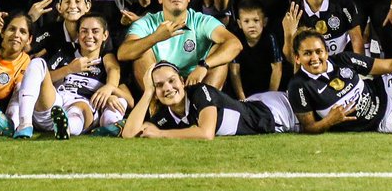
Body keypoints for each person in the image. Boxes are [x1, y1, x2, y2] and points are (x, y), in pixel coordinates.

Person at [118, 0, 241, 89]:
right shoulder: (147, 22)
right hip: (163, 86)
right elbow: (123, 53)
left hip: (195, 81)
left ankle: (205, 104)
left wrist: (204, 65)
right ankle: (157, 107)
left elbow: (235, 44)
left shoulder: (201, 20)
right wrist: (155, 37)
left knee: (221, 53)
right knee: (141, 52)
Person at [122, 60, 295, 138]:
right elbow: (130, 134)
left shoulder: (200, 92)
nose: (167, 88)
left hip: (276, 112)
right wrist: (147, 93)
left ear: (182, 82)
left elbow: (205, 133)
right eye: (159, 85)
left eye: (171, 80)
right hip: (255, 105)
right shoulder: (166, 115)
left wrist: (160, 134)